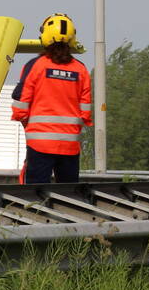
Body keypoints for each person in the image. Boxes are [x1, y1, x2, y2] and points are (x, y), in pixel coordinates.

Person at [11, 13, 92, 184]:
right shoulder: (81, 70)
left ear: (45, 35)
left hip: (39, 144)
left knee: (34, 195)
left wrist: (28, 124)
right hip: (69, 146)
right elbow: (85, 111)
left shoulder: (35, 65)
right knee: (69, 196)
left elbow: (20, 101)